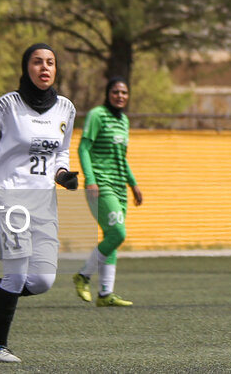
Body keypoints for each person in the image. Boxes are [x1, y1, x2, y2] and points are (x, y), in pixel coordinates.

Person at [0, 43, 79, 364]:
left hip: (44, 202)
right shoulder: (7, 105)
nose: (44, 68)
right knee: (16, 275)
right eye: (37, 62)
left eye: (50, 63)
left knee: (42, 281)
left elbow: (60, 152)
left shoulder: (66, 110)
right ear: (25, 67)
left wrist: (62, 174)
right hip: (8, 197)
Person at [72, 77, 143, 307]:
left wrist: (133, 184)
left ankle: (105, 294)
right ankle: (83, 276)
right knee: (117, 234)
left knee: (111, 238)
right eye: (115, 92)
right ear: (108, 94)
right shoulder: (97, 115)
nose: (120, 96)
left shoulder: (123, 121)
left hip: (120, 187)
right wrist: (91, 180)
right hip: (102, 185)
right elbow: (83, 147)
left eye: (124, 92)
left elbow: (122, 157)